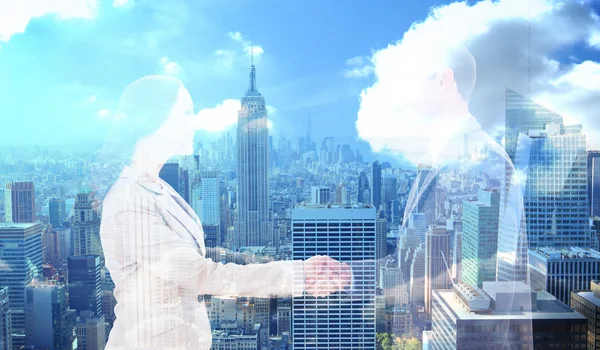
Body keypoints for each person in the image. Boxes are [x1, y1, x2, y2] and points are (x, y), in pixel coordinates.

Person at [95, 75, 352, 349]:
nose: (193, 124)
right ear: (154, 120)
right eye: (185, 114)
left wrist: (296, 270)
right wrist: (297, 275)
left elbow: (190, 266)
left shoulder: (158, 188)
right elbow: (200, 274)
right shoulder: (129, 199)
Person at [351, 41, 530, 343]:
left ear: (444, 79)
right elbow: (407, 259)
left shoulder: (486, 163)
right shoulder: (438, 157)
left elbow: (503, 286)